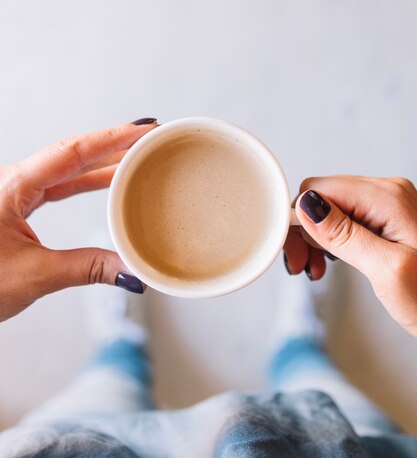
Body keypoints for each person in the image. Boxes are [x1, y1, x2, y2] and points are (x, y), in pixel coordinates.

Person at [0, 118, 416, 457]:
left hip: (67, 444)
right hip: (328, 443)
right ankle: (300, 344)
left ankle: (121, 347)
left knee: (108, 383)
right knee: (316, 385)